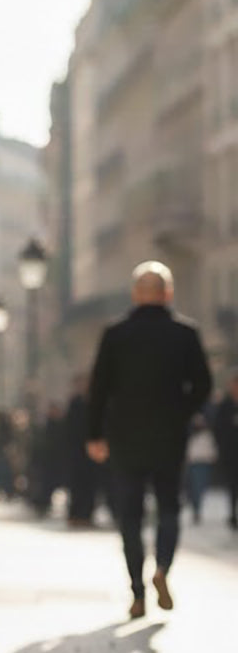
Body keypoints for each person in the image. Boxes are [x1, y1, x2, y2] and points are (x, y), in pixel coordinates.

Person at [87, 261, 211, 618]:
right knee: (169, 508)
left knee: (130, 516)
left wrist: (95, 434)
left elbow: (99, 389)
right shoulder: (185, 333)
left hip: (125, 437)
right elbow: (203, 385)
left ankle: (138, 593)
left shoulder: (116, 333)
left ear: (135, 295)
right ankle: (162, 569)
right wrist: (181, 412)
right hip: (169, 436)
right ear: (168, 294)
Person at [64, 375, 99, 528]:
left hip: (91, 451)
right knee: (77, 485)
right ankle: (75, 514)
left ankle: (86, 515)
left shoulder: (94, 402)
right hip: (76, 451)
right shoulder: (75, 403)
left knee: (90, 485)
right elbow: (69, 428)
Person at [212, 372, 238, 529]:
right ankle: (233, 513)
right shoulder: (225, 406)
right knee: (233, 484)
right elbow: (218, 429)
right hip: (231, 453)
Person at [185, 410, 217, 525]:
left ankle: (197, 509)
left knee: (200, 487)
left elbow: (212, 449)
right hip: (193, 463)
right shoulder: (190, 434)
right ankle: (195, 509)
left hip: (204, 464)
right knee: (194, 488)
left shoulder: (208, 434)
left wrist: (211, 457)